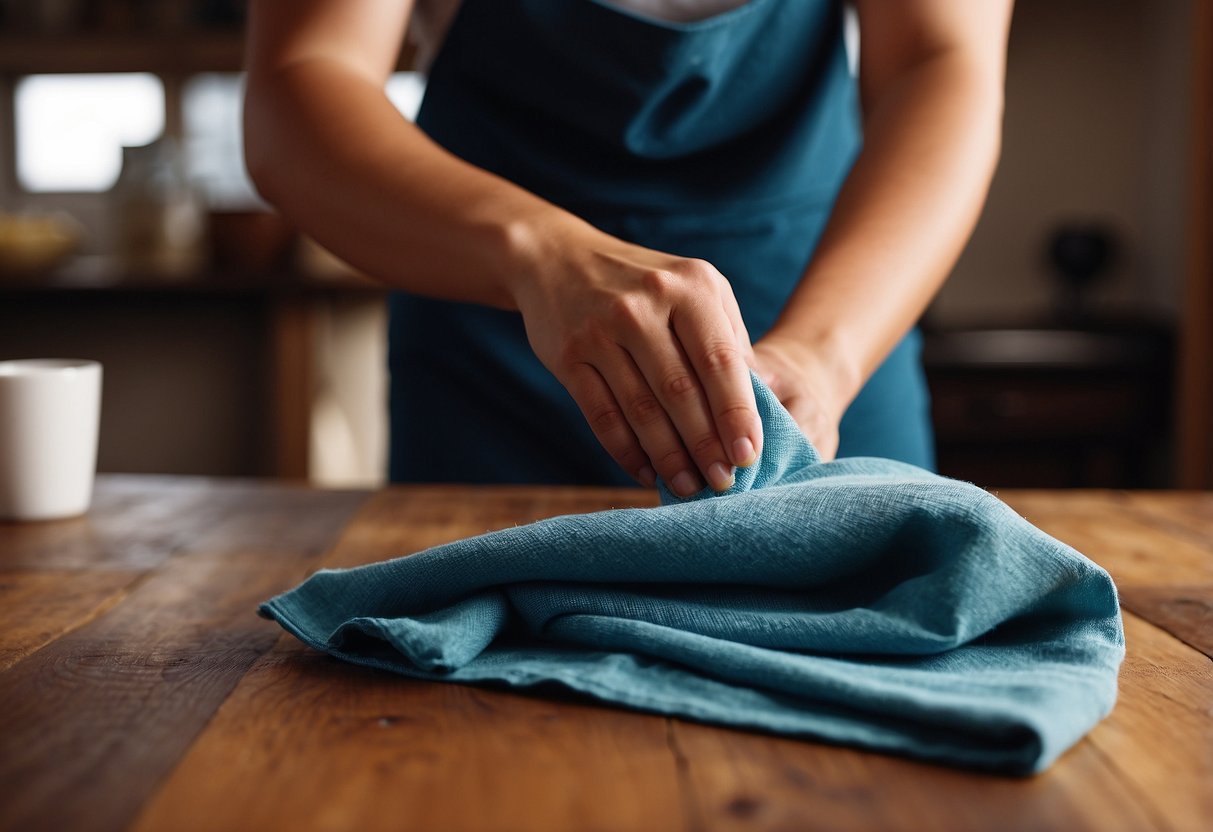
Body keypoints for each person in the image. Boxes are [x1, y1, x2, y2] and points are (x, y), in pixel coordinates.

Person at [244, 0, 1013, 496]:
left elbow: (940, 62)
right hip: (494, 361)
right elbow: (300, 78)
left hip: (828, 325)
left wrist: (823, 356)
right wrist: (542, 258)